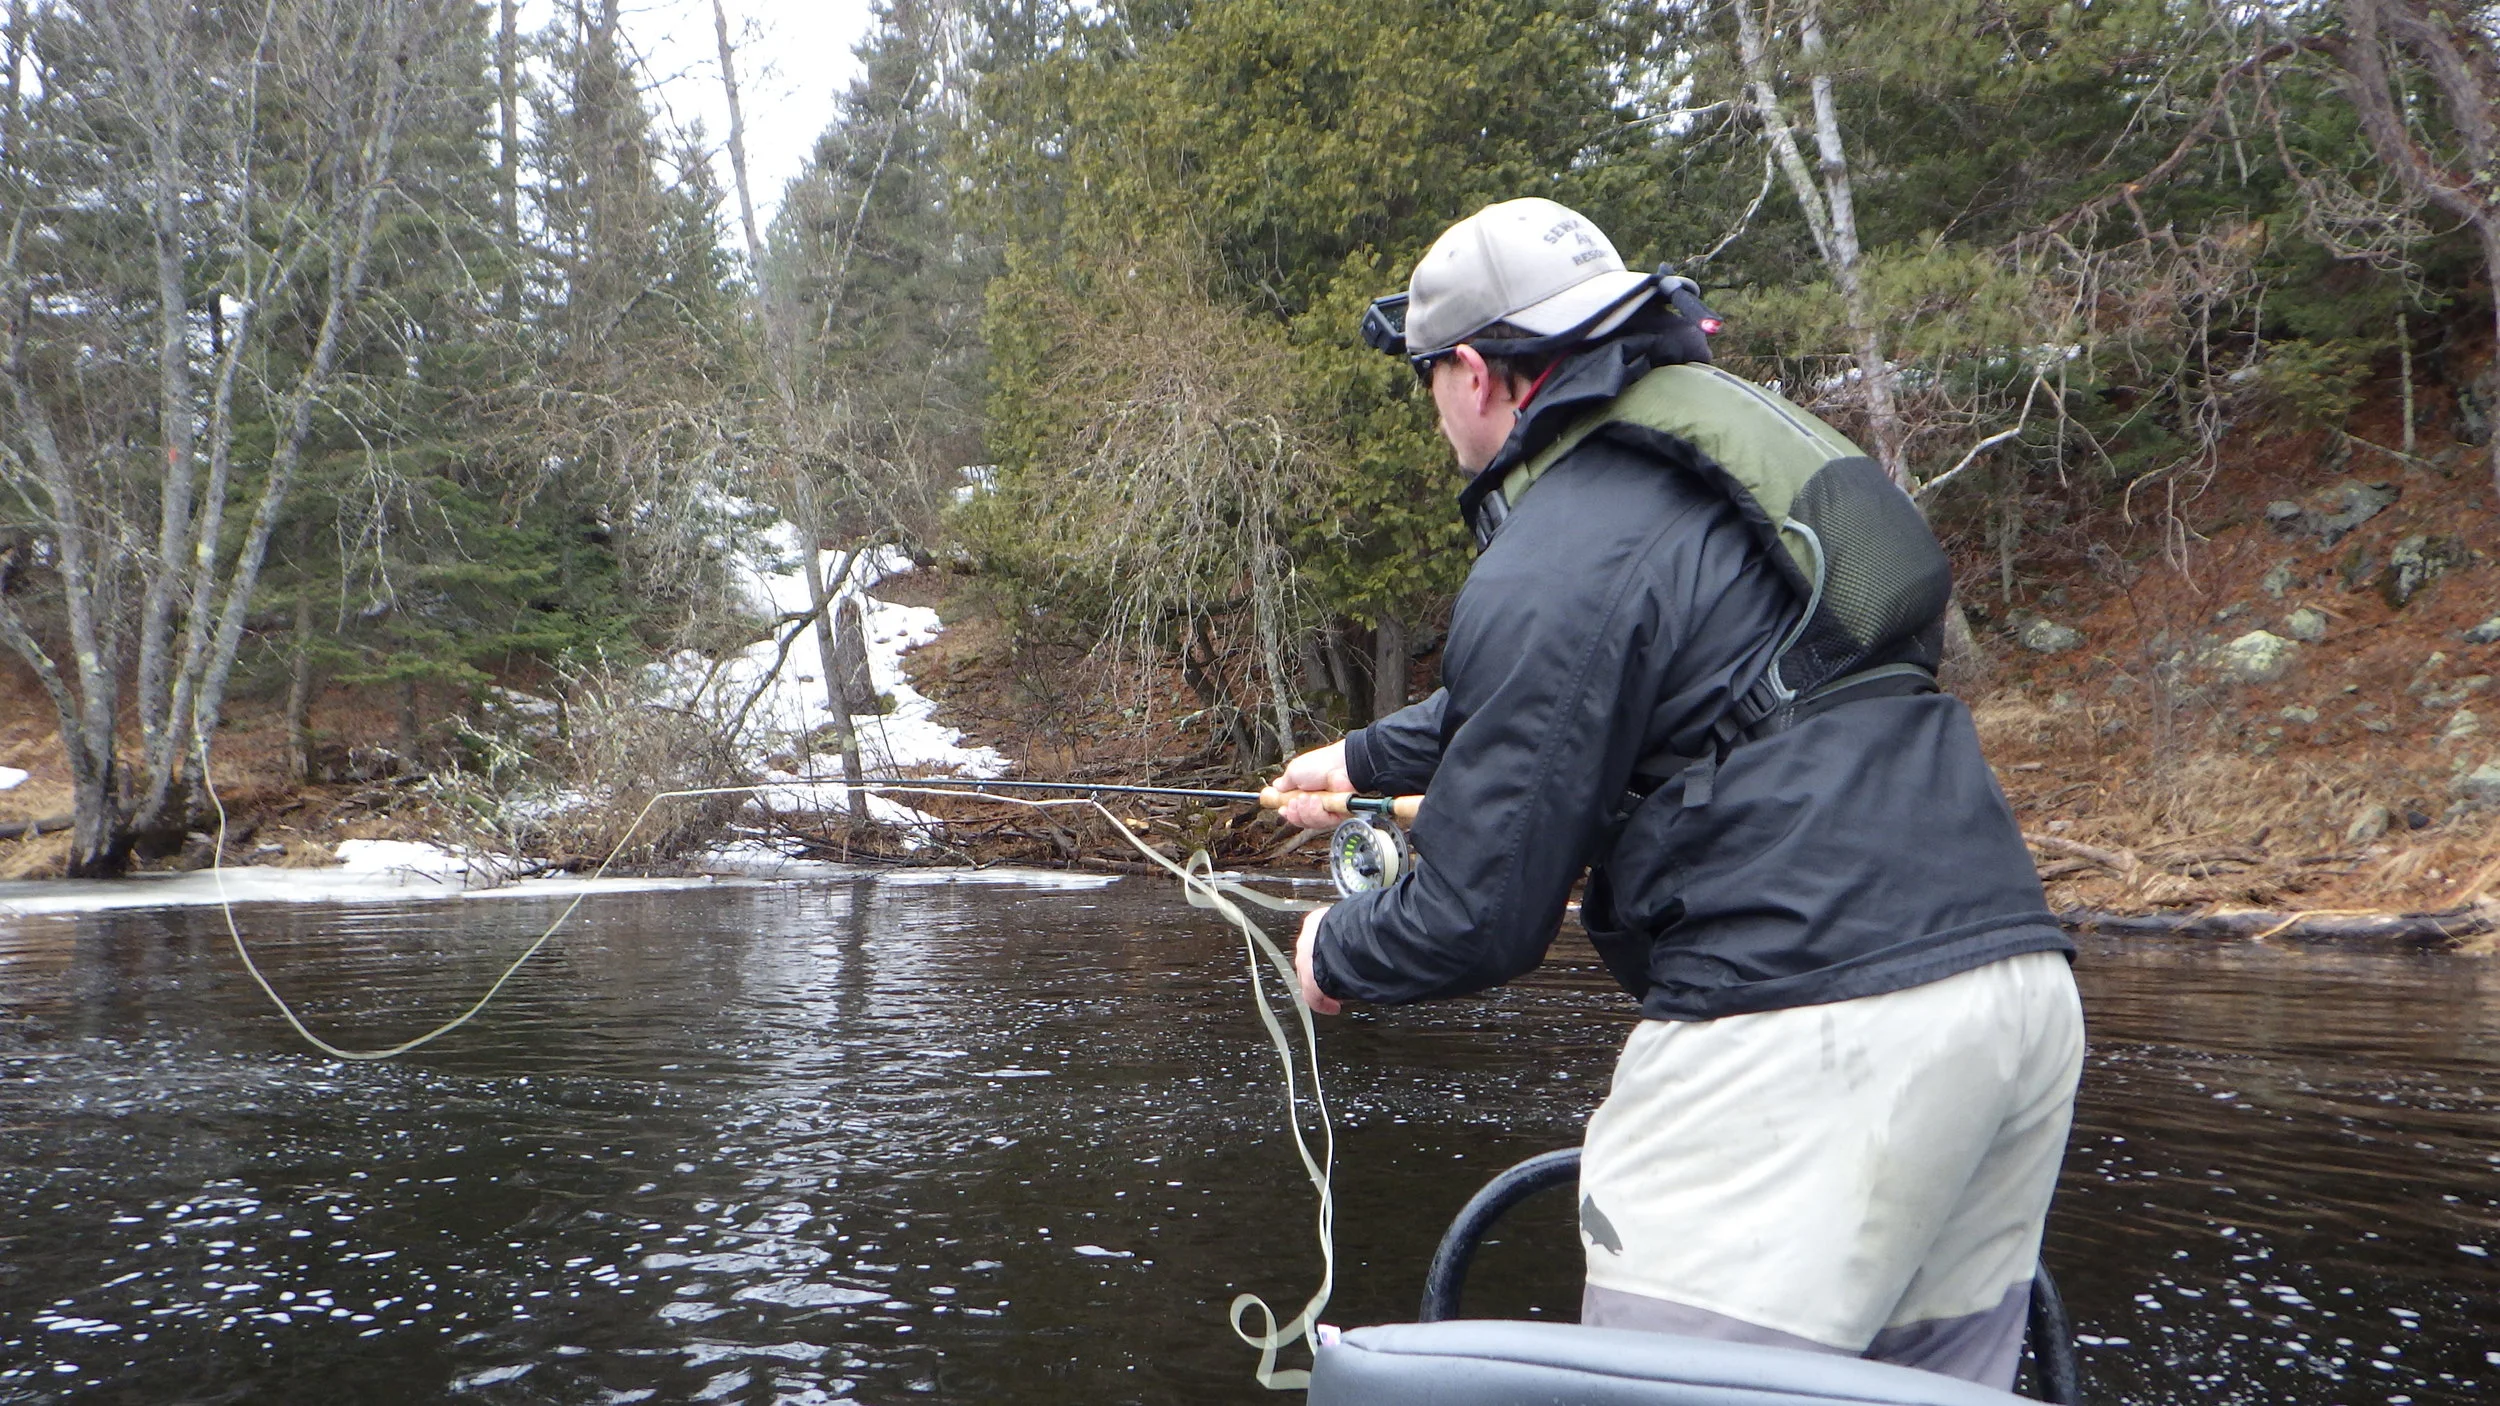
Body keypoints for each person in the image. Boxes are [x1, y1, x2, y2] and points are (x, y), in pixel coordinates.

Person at [1267, 197, 2083, 1391]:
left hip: (1809, 1026)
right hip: (2012, 999)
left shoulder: (1552, 550)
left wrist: (1333, 950)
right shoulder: (1699, 468)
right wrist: (1365, 760)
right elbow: (1624, 686)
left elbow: (1481, 913)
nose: (1435, 408)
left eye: (1428, 379)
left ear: (1476, 374)